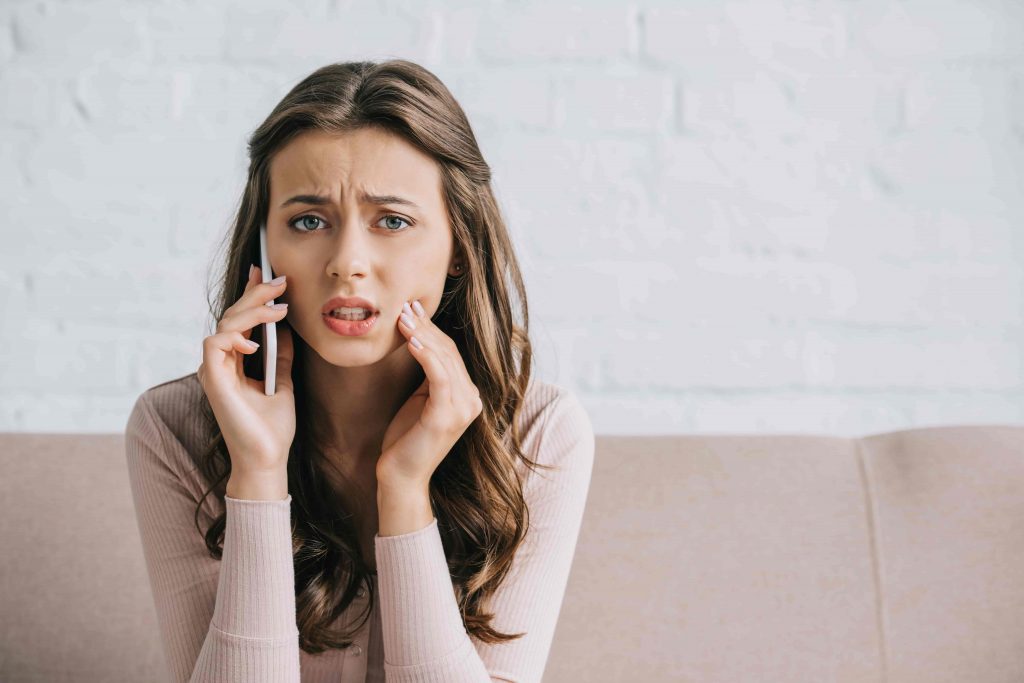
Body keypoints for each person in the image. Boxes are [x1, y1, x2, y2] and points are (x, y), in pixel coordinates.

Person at [124, 59, 594, 683]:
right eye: (308, 220)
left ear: (459, 245)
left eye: (393, 221)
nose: (347, 262)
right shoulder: (174, 427)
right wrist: (258, 474)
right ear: (264, 244)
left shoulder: (538, 432)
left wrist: (403, 492)